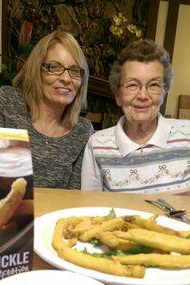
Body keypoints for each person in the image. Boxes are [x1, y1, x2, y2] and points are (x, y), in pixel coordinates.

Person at [0, 30, 94, 189]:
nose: (66, 79)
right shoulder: (8, 102)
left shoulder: (82, 130)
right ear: (37, 70)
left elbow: (74, 197)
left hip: (57, 212)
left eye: (75, 71)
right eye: (55, 67)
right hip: (4, 211)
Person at [81, 39, 190, 194]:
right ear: (118, 95)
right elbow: (90, 208)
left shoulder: (187, 134)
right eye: (132, 85)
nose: (143, 95)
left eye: (153, 85)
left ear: (164, 93)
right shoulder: (98, 145)